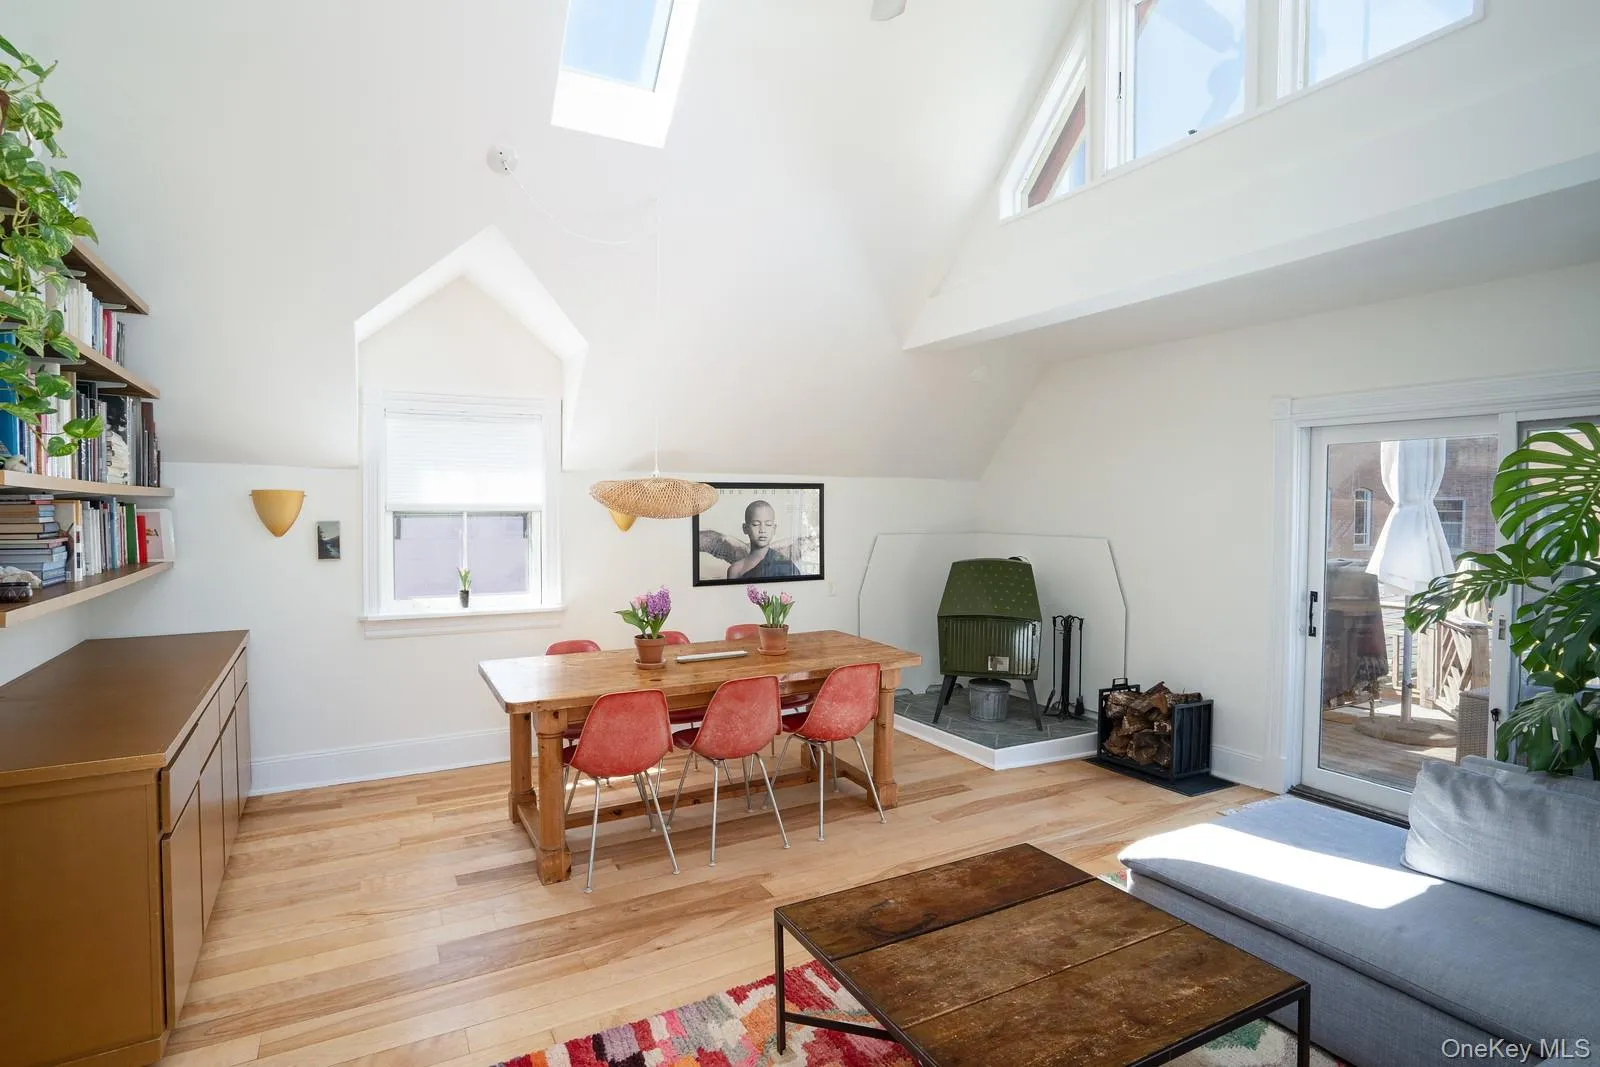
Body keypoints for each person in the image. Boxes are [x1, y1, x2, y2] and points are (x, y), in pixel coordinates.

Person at [726, 500, 801, 580]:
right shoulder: (736, 570)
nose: (762, 530)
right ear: (745, 528)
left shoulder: (786, 566)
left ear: (774, 529)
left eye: (768, 524)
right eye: (756, 524)